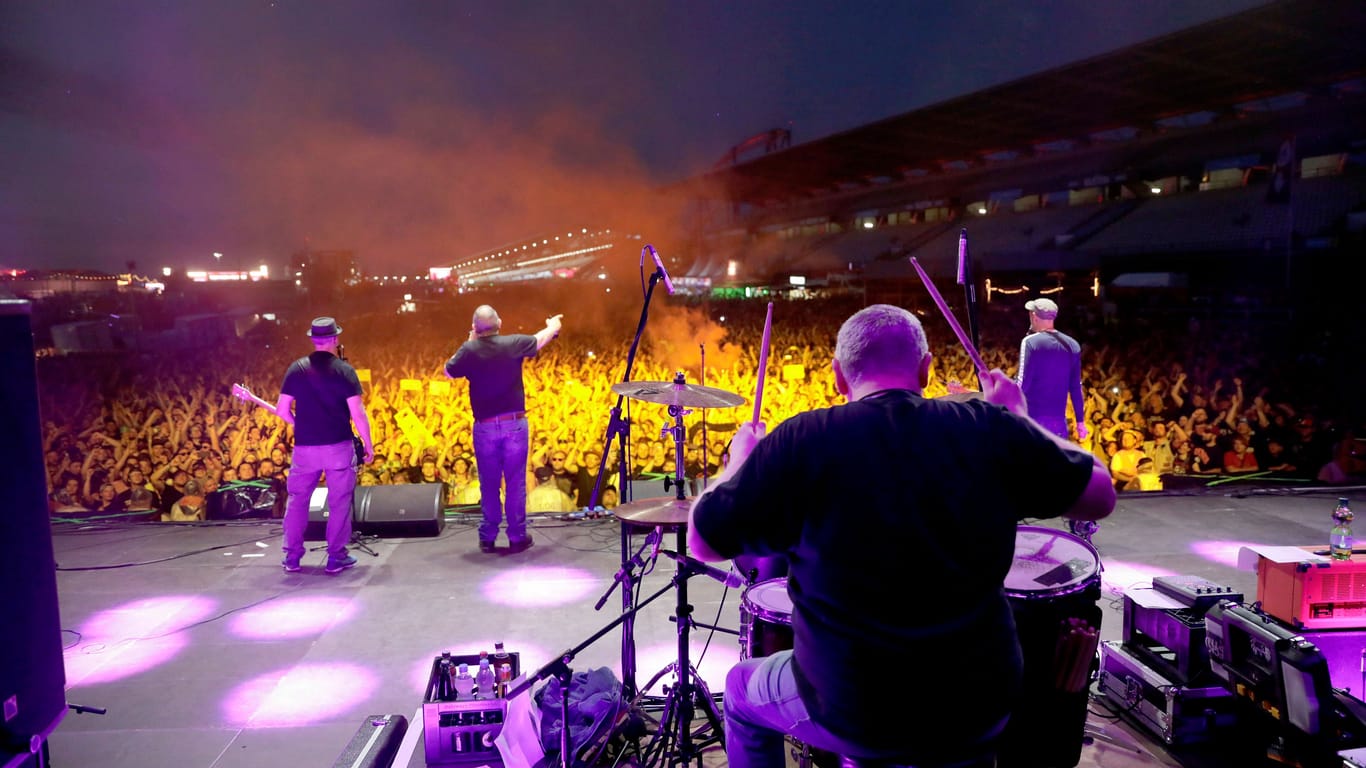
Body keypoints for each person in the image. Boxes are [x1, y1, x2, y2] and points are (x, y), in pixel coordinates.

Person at [687, 304, 1115, 768]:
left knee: (738, 690)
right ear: (927, 369)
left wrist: (740, 462)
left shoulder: (802, 440)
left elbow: (703, 541)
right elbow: (1100, 496)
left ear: (837, 377)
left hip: (852, 707)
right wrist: (1019, 418)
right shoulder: (987, 428)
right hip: (977, 701)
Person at [445, 305, 562, 553]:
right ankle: (517, 535)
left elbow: (448, 371)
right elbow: (540, 339)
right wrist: (553, 326)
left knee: (488, 483)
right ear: (499, 322)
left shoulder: (469, 349)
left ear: (475, 326)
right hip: (514, 424)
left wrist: (470, 341)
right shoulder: (513, 343)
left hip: (485, 428)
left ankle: (488, 536)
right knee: (515, 481)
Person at [276, 317, 374, 574]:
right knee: (339, 501)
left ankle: (292, 557)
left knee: (297, 501)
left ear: (313, 339)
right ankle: (336, 557)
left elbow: (281, 410)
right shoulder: (344, 371)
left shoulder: (296, 369)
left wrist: (299, 424)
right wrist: (368, 443)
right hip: (338, 448)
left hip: (305, 449)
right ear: (335, 339)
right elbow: (358, 414)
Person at [1016, 297, 1087, 443]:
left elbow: (1023, 384)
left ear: (1034, 316)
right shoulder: (1072, 345)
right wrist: (1080, 421)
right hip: (1059, 423)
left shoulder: (1030, 342)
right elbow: (1075, 387)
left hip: (1032, 419)